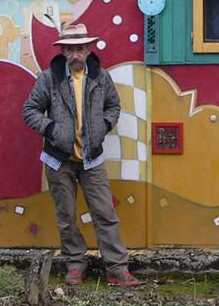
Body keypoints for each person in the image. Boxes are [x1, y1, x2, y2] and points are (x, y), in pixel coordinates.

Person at [22, 23, 143, 287]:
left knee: (105, 213)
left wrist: (103, 126)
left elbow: (113, 105)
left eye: (80, 48)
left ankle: (117, 268)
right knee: (66, 215)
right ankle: (75, 264)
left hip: (92, 158)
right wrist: (51, 129)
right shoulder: (49, 78)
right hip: (58, 159)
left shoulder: (101, 77)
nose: (75, 54)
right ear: (63, 51)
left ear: (89, 49)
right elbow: (30, 110)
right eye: (70, 49)